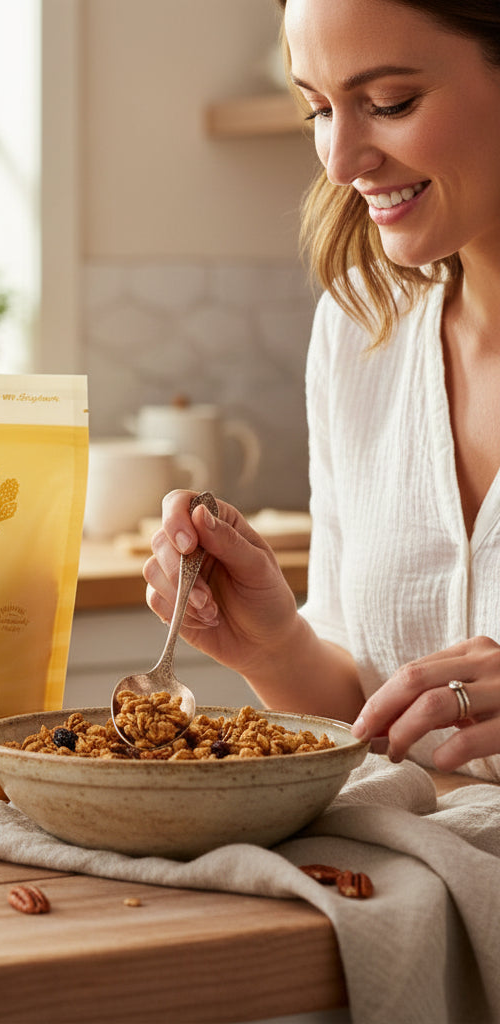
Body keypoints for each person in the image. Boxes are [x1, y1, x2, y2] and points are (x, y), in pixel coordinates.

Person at [144, 0, 500, 780]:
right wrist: (271, 644)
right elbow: (365, 716)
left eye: (390, 104)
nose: (339, 161)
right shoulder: (360, 327)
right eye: (318, 108)